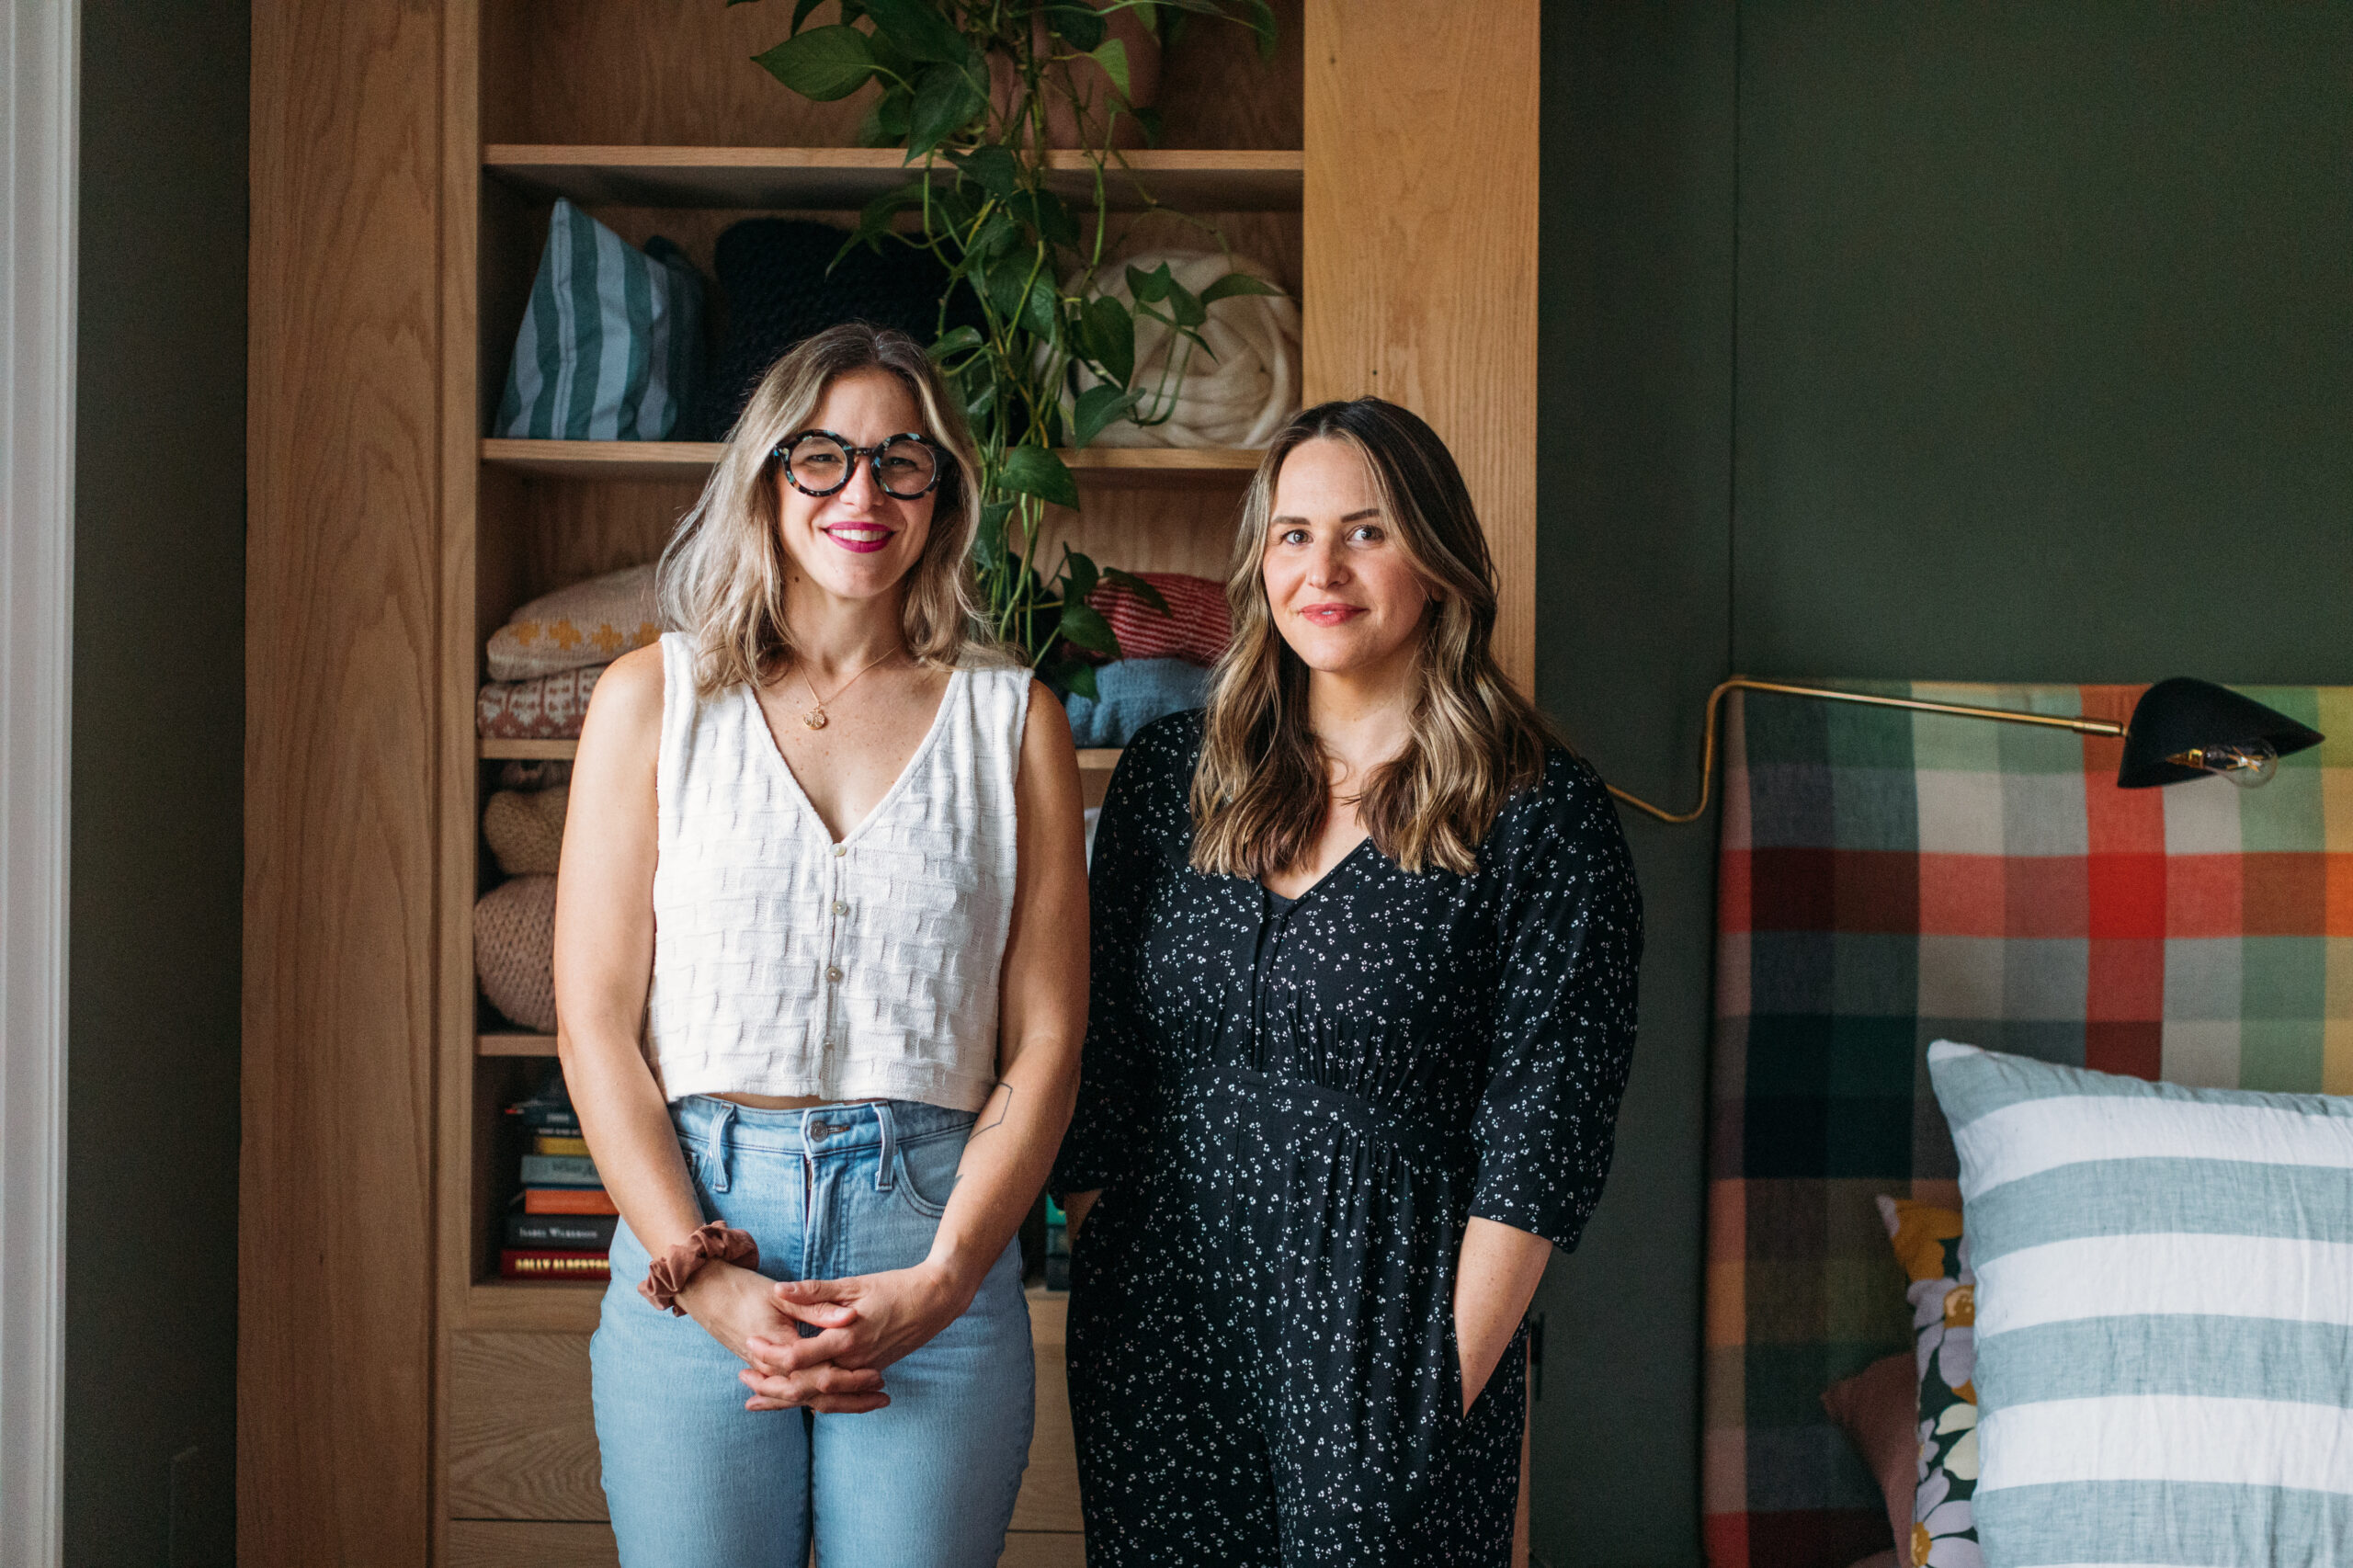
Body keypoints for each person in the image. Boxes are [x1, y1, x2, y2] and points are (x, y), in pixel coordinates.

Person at [1051, 398, 1643, 1566]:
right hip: (1161, 1339)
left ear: (1438, 561)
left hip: (1395, 1351)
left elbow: (1543, 1141)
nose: (1322, 567)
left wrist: (1428, 1406)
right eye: (1292, 533)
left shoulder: (1540, 815)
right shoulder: (1174, 777)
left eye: (1366, 531)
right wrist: (1107, 1269)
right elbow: (1102, 1063)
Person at [555, 323, 1088, 1568]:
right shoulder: (653, 700)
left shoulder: (1015, 723)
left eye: (904, 462)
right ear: (767, 473)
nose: (865, 493)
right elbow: (594, 1018)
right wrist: (703, 1277)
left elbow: (1049, 1033)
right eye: (825, 457)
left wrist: (950, 1276)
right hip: (696, 1225)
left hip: (932, 1237)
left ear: (943, 493)